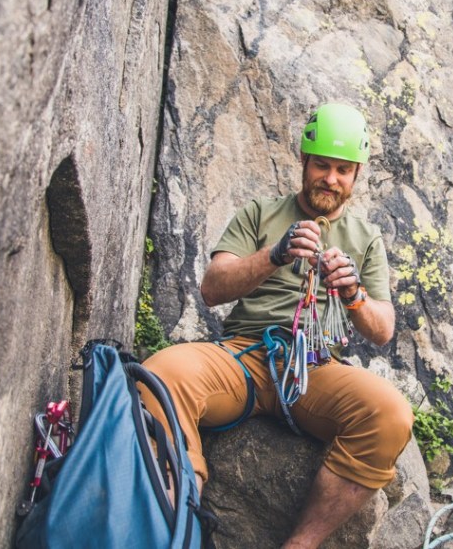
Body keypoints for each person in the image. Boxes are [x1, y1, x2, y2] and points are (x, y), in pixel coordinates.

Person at [141, 102, 413, 549]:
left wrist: (353, 294)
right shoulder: (260, 213)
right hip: (241, 356)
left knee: (391, 415)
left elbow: (382, 328)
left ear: (356, 174)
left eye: (343, 170)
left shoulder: (366, 239)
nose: (331, 178)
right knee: (158, 377)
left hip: (314, 367)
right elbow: (213, 287)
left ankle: (299, 546)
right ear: (303, 161)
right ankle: (179, 524)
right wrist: (275, 254)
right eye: (322, 165)